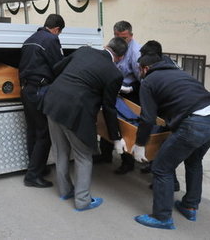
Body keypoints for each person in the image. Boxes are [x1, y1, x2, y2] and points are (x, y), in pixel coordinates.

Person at [43, 37, 128, 211]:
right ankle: (82, 201)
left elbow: (57, 68)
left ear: (106, 46)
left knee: (61, 152)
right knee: (84, 156)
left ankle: (65, 191)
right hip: (75, 112)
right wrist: (116, 138)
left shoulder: (84, 50)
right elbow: (109, 108)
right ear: (121, 57)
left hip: (52, 102)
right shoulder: (114, 74)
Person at [132, 53, 210, 230]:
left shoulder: (149, 80)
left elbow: (147, 118)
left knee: (161, 168)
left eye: (140, 69)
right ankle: (190, 206)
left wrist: (139, 144)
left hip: (194, 124)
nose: (139, 73)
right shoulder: (181, 73)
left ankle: (162, 217)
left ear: (146, 68)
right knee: (194, 162)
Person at [19, 14, 65, 188]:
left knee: (33, 130)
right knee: (44, 133)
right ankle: (33, 176)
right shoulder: (51, 40)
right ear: (57, 30)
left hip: (26, 89)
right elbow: (58, 65)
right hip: (40, 91)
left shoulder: (30, 39)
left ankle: (36, 167)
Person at [139, 40, 180, 192]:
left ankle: (168, 182)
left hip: (170, 111)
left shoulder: (158, 70)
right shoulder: (168, 63)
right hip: (171, 108)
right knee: (162, 145)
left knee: (162, 146)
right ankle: (153, 166)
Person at [112, 21, 141, 174]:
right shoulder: (114, 45)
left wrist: (129, 89)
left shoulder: (136, 52)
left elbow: (142, 81)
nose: (120, 40)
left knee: (127, 127)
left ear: (131, 36)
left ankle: (128, 162)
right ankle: (106, 155)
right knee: (113, 122)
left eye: (123, 37)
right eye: (117, 36)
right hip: (116, 90)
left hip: (132, 93)